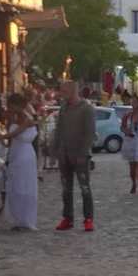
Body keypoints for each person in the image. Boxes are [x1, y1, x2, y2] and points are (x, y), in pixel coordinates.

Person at [53, 80, 97, 232]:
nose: (61, 94)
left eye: (64, 91)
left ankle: (88, 219)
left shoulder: (86, 108)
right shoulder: (63, 108)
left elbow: (90, 133)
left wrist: (83, 153)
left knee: (84, 188)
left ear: (72, 91)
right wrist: (55, 150)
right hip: (64, 154)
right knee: (66, 188)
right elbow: (59, 130)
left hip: (80, 155)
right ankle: (68, 217)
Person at [2, 93, 40, 229]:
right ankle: (16, 217)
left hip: (25, 154)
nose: (9, 108)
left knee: (24, 185)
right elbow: (9, 140)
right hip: (15, 152)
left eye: (11, 106)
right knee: (15, 185)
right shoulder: (13, 118)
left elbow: (14, 133)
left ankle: (25, 218)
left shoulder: (27, 119)